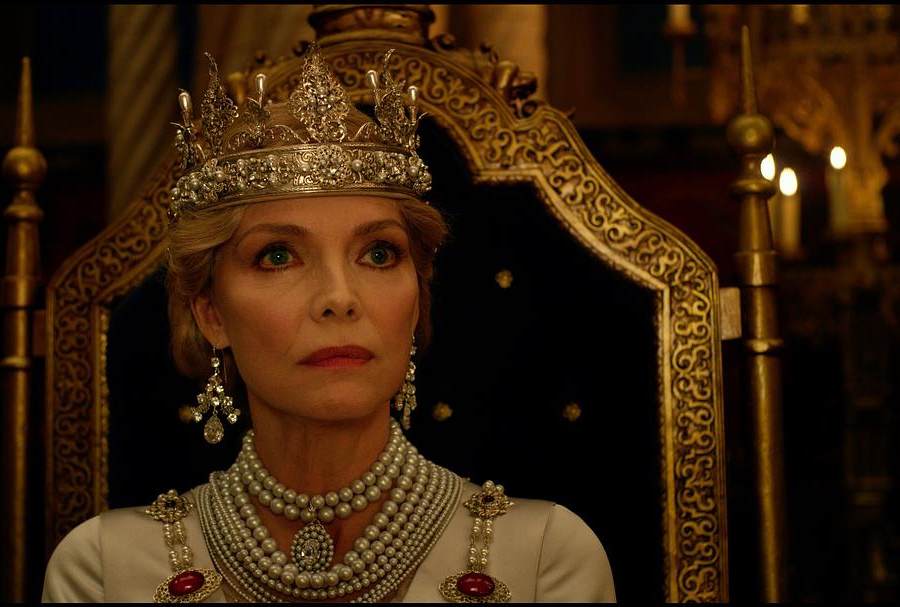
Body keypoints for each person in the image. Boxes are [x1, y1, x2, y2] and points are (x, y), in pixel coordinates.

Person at [42, 45, 615, 603]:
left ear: (416, 303)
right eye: (278, 256)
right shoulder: (105, 569)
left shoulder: (542, 559)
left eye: (379, 254)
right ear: (211, 313)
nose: (339, 298)